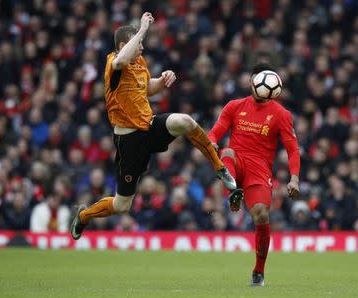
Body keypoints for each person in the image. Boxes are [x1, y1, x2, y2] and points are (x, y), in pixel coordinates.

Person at [70, 12, 236, 240]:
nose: (142, 48)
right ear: (123, 44)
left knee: (185, 121)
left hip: (149, 126)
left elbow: (148, 88)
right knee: (122, 206)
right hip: (129, 141)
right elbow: (120, 61)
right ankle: (84, 216)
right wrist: (141, 30)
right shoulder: (113, 61)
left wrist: (163, 80)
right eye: (139, 44)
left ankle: (220, 168)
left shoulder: (139, 62)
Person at [208, 63, 300, 286]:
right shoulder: (234, 106)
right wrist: (208, 143)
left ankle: (258, 272)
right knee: (226, 151)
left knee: (261, 216)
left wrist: (294, 178)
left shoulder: (281, 115)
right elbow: (215, 132)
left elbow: (292, 148)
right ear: (252, 82)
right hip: (235, 160)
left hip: (259, 169)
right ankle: (232, 188)